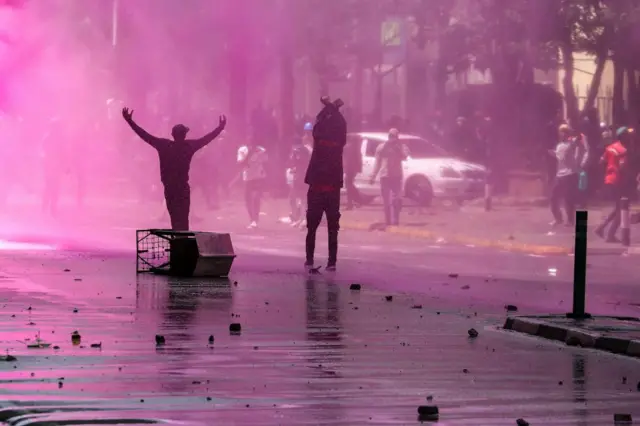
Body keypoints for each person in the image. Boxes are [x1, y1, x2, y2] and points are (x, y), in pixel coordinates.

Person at [122, 107, 226, 231]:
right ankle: (182, 245)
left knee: (175, 220)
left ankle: (178, 245)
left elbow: (144, 135)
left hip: (170, 188)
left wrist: (129, 121)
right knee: (183, 221)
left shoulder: (164, 145)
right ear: (185, 135)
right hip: (182, 188)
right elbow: (207, 139)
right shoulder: (189, 146)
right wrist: (220, 127)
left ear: (172, 134)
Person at [304, 97, 347, 272]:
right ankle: (323, 261)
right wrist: (332, 108)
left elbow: (320, 122)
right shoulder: (334, 146)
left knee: (324, 228)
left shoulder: (322, 143)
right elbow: (323, 122)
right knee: (324, 229)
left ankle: (321, 261)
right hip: (324, 190)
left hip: (323, 190)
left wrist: (330, 108)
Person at [595, 127, 632, 242]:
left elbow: (601, 162)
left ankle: (600, 228)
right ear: (622, 136)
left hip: (608, 180)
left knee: (618, 208)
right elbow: (622, 167)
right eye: (627, 135)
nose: (629, 137)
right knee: (621, 210)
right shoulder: (623, 150)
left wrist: (609, 169)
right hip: (618, 181)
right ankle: (610, 235)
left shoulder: (609, 148)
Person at [548, 125, 589, 227]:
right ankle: (558, 218)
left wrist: (573, 129)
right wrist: (553, 153)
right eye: (560, 132)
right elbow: (559, 157)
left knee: (568, 198)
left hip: (569, 174)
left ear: (566, 133)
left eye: (562, 132)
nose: (560, 134)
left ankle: (570, 220)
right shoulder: (559, 145)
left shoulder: (572, 143)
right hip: (559, 174)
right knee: (553, 197)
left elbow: (580, 138)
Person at [369, 128, 409, 226]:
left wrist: (398, 149)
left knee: (396, 199)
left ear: (397, 137)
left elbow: (405, 157)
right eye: (390, 136)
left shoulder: (401, 147)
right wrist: (373, 176)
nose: (391, 138)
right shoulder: (382, 147)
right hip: (385, 176)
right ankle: (388, 221)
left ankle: (395, 220)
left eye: (394, 136)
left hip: (396, 176)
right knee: (386, 201)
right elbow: (377, 163)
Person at [237, 138, 268, 229]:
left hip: (258, 177)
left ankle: (255, 219)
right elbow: (239, 163)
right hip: (248, 178)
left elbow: (266, 161)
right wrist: (248, 154)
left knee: (256, 198)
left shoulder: (261, 150)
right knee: (248, 199)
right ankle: (252, 219)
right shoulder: (242, 150)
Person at [287, 123, 313, 227]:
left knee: (300, 198)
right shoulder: (307, 150)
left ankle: (302, 219)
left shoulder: (304, 150)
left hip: (303, 175)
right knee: (300, 198)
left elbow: (295, 163)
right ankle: (301, 218)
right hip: (304, 175)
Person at [343, 132, 365, 210]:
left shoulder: (347, 147)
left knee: (349, 185)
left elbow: (345, 159)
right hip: (353, 169)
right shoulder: (355, 147)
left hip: (349, 168)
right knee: (349, 185)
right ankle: (352, 202)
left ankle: (357, 200)